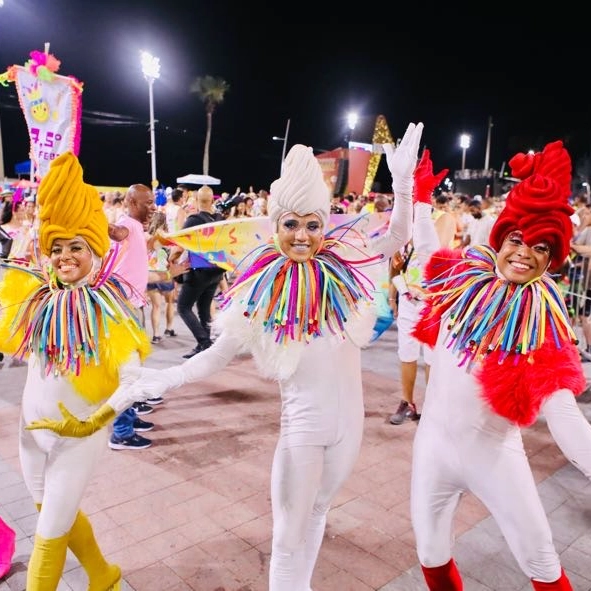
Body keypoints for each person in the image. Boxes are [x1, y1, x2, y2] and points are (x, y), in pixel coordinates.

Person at [127, 123, 423, 590]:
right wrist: (162, 380)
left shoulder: (348, 269)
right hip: (302, 432)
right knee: (286, 539)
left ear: (324, 225)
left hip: (351, 428)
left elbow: (399, 234)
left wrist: (402, 183)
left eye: (312, 224)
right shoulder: (260, 287)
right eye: (291, 224)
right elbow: (216, 355)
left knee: (320, 513)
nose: (302, 235)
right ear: (275, 226)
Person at [409, 140, 591, 590]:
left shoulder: (543, 324)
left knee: (541, 558)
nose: (524, 252)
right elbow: (427, 254)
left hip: (494, 456)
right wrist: (413, 198)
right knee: (430, 551)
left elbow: (564, 414)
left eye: (541, 247)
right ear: (502, 237)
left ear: (552, 259)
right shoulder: (460, 281)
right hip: (431, 448)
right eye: (517, 239)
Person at [0, 152, 152, 590]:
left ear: (94, 251)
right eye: (58, 248)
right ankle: (102, 575)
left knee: (48, 535)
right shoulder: (35, 298)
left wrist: (94, 422)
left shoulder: (112, 311)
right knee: (48, 511)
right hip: (31, 432)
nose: (66, 257)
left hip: (78, 438)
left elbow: (132, 381)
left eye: (76, 248)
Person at [388, 149, 449, 425]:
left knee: (433, 357)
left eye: (417, 193)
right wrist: (393, 294)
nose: (412, 198)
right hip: (407, 299)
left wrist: (422, 210)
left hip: (433, 302)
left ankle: (435, 406)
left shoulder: (444, 221)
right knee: (406, 353)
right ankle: (407, 402)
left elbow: (438, 253)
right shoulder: (404, 226)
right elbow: (395, 263)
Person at [107, 183, 160, 449]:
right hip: (122, 309)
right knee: (127, 372)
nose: (152, 207)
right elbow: (115, 233)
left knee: (133, 369)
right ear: (131, 202)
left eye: (152, 202)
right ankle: (121, 432)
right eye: (147, 202)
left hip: (132, 306)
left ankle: (129, 416)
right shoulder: (125, 223)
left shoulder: (137, 227)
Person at [169, 185, 225, 359]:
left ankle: (204, 342)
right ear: (212, 200)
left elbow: (180, 245)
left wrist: (172, 260)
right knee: (203, 309)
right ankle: (205, 346)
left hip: (198, 271)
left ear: (197, 200)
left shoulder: (193, 220)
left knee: (183, 307)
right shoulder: (220, 219)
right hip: (216, 271)